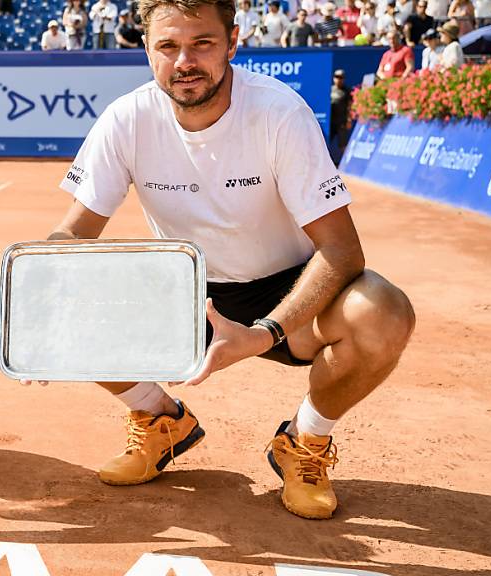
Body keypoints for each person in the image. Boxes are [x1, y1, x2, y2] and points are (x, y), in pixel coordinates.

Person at [31, 0, 415, 520]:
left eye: (202, 44)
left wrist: (266, 332)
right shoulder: (127, 118)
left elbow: (342, 250)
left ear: (233, 42)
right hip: (184, 292)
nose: (184, 61)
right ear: (147, 50)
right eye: (167, 46)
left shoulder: (279, 112)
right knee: (61, 285)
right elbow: (75, 230)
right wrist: (36, 300)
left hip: (288, 291)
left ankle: (304, 441)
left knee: (382, 309)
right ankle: (161, 420)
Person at [329, 69, 352, 164]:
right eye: (337, 77)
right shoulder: (330, 90)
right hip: (330, 123)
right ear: (334, 78)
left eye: (341, 77)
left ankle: (347, 164)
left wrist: (349, 120)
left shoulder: (347, 91)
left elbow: (350, 107)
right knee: (324, 143)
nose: (339, 79)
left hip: (341, 122)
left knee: (343, 145)